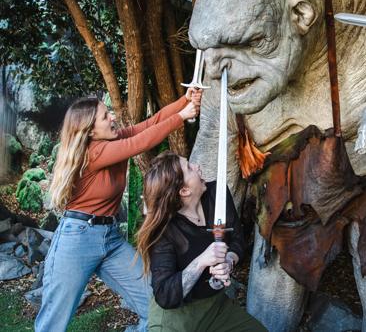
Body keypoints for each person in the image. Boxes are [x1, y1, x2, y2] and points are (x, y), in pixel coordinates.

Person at [35, 88, 202, 332]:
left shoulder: (112, 141)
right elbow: (140, 142)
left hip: (110, 239)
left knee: (154, 302)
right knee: (54, 321)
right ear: (90, 131)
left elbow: (151, 123)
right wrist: (182, 116)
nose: (112, 117)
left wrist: (183, 101)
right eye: (105, 116)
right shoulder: (94, 152)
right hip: (77, 240)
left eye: (109, 113)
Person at [136, 151, 267, 332]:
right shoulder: (164, 231)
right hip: (177, 317)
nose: (197, 166)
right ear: (184, 190)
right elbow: (165, 295)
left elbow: (237, 239)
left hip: (215, 307)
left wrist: (229, 260)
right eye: (190, 167)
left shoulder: (217, 194)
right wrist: (201, 261)